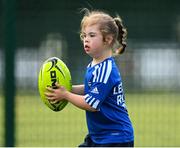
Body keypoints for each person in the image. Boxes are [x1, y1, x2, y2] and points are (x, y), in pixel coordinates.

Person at [45, 9, 134, 147]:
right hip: (99, 136)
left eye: (92, 35)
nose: (86, 39)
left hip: (115, 138)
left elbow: (91, 104)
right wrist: (68, 88)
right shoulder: (94, 64)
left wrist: (66, 95)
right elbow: (90, 89)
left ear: (108, 39)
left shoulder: (106, 70)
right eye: (84, 35)